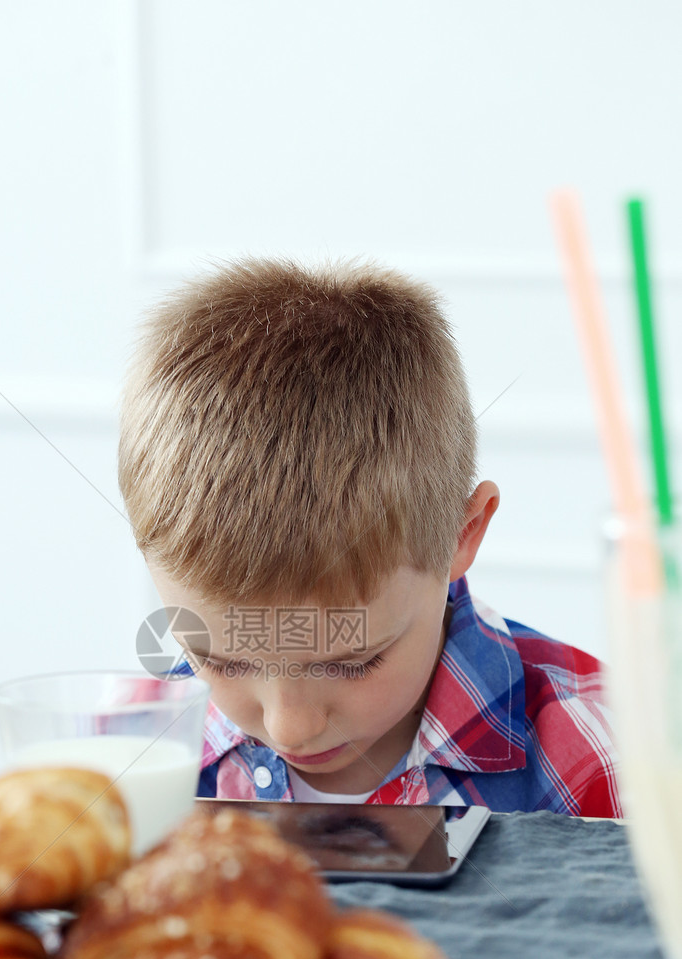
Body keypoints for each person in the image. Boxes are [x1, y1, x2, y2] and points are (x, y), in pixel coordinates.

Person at [118, 258, 620, 817]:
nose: (291, 726)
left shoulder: (614, 759)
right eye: (222, 661)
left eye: (352, 661)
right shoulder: (126, 755)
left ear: (463, 533)